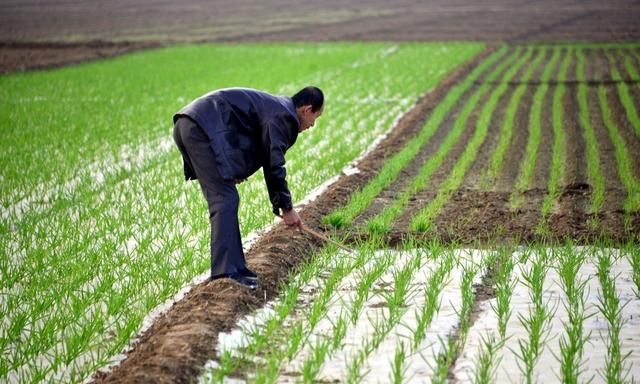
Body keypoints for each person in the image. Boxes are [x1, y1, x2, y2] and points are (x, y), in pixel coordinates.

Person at [173, 86, 324, 289]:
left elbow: (250, 142)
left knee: (227, 197)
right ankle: (225, 272)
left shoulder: (278, 109)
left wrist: (234, 169)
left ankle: (236, 268)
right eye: (316, 117)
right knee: (225, 199)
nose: (313, 125)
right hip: (199, 127)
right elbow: (274, 164)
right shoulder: (284, 117)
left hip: (192, 124)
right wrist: (287, 208)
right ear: (306, 109)